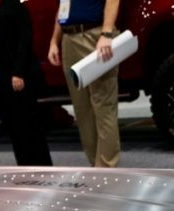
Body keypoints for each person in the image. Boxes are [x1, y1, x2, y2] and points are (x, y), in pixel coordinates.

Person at [0, 0, 53, 166]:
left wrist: (19, 72)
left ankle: (41, 166)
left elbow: (25, 41)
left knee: (29, 127)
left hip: (17, 78)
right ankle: (24, 167)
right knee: (15, 130)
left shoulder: (15, 7)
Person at [47, 0, 121, 167]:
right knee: (82, 108)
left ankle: (107, 168)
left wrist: (106, 33)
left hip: (95, 36)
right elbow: (63, 8)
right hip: (69, 38)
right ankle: (95, 166)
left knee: (103, 104)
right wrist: (54, 41)